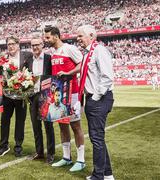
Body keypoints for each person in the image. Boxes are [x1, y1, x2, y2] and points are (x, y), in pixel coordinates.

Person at [44, 26, 86, 172]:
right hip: (59, 94)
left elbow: (82, 65)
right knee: (62, 125)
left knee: (75, 125)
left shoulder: (69, 48)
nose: (46, 39)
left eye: (48, 37)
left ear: (56, 36)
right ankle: (66, 158)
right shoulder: (53, 52)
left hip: (72, 93)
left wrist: (68, 72)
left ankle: (81, 160)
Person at [76, 25, 115, 180]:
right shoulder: (87, 53)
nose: (77, 38)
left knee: (96, 138)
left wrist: (95, 97)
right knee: (97, 137)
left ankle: (98, 176)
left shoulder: (99, 50)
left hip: (99, 98)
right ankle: (107, 174)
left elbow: (107, 76)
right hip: (91, 98)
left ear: (91, 35)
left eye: (80, 35)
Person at [0, 36, 33, 157]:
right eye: (8, 44)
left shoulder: (27, 56)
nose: (10, 46)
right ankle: (3, 146)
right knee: (4, 121)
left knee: (20, 122)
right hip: (7, 95)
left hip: (21, 95)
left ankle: (18, 147)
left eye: (13, 44)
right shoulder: (3, 58)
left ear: (18, 45)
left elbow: (31, 73)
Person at [24, 35, 55, 164]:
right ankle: (40, 152)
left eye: (38, 44)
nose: (35, 47)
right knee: (36, 126)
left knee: (48, 125)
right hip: (33, 96)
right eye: (33, 45)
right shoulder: (28, 60)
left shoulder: (49, 59)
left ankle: (51, 154)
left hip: (45, 96)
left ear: (42, 45)